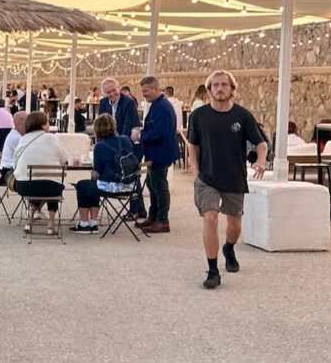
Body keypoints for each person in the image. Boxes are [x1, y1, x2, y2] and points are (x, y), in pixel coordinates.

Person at [186, 70, 267, 290]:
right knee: (210, 218)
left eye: (224, 85)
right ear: (209, 89)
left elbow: (261, 143)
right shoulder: (198, 116)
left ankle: (229, 248)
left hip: (234, 176)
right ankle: (212, 270)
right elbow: (192, 144)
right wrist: (195, 172)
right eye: (216, 85)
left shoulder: (242, 116)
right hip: (207, 177)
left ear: (232, 89)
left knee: (234, 223)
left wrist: (261, 160)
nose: (220, 88)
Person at [70, 114, 139, 233]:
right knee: (93, 185)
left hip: (113, 187)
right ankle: (92, 222)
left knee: (84, 185)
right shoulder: (125, 140)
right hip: (131, 186)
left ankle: (85, 223)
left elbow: (97, 172)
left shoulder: (100, 147)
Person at [131, 76, 180, 233]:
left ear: (155, 89)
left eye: (146, 91)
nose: (144, 94)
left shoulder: (162, 107)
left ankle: (162, 220)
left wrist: (140, 136)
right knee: (152, 185)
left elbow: (159, 132)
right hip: (155, 152)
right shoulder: (157, 105)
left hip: (161, 152)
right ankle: (153, 217)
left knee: (159, 186)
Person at [12, 112, 69, 235]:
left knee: (37, 183)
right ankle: (51, 224)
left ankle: (29, 222)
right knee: (52, 183)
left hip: (25, 187)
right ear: (43, 125)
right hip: (50, 187)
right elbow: (65, 159)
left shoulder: (23, 139)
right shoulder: (52, 138)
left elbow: (14, 163)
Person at [0, 110, 28, 186]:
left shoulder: (17, 135)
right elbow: (27, 154)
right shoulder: (16, 138)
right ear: (20, 123)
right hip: (9, 171)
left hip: (11, 168)